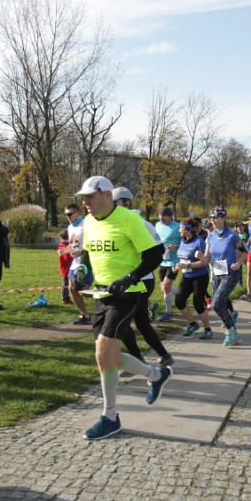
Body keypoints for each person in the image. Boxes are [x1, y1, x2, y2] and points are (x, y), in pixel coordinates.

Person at [76, 176, 172, 440]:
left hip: (129, 293)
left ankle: (110, 416)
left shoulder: (130, 220)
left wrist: (130, 277)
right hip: (101, 292)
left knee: (103, 354)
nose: (86, 202)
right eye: (83, 198)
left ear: (107, 196)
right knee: (111, 357)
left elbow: (155, 254)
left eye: (90, 197)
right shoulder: (88, 221)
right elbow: (87, 253)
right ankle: (156, 374)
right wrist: (83, 271)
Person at [112, 187, 174, 366]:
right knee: (141, 322)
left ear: (126, 203)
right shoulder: (118, 222)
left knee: (121, 321)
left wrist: (135, 272)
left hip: (141, 281)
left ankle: (137, 360)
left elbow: (158, 250)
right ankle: (164, 355)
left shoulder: (139, 223)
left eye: (114, 203)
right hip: (130, 281)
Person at [203, 205, 247, 346]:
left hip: (230, 272)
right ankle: (232, 330)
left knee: (216, 302)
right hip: (217, 271)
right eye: (211, 218)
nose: (212, 220)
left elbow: (245, 252)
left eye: (215, 217)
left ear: (223, 218)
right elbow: (206, 257)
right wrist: (196, 258)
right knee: (218, 305)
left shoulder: (232, 235)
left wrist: (238, 264)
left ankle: (232, 332)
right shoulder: (210, 236)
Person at [173, 217, 213, 340]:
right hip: (186, 276)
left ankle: (207, 329)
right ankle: (192, 324)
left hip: (200, 277)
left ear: (186, 229)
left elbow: (205, 262)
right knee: (179, 300)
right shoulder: (183, 240)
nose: (179, 229)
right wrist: (178, 266)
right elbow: (183, 257)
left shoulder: (199, 242)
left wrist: (187, 265)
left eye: (181, 227)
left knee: (197, 303)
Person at [64, 203, 92, 324]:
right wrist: (64, 251)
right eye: (66, 214)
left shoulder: (86, 225)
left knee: (83, 291)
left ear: (78, 212)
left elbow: (94, 244)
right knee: (72, 288)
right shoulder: (71, 227)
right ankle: (84, 315)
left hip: (86, 262)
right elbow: (73, 244)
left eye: (70, 214)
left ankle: (111, 295)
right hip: (75, 263)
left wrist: (82, 253)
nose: (68, 216)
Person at [155, 207, 181, 322]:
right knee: (164, 288)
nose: (161, 218)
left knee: (166, 286)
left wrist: (175, 247)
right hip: (162, 260)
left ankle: (168, 312)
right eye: (160, 216)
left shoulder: (177, 227)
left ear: (169, 216)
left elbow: (186, 241)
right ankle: (182, 293)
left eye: (163, 216)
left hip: (174, 261)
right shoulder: (157, 225)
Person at [57, 230, 73, 303]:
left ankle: (66, 298)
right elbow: (67, 257)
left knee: (65, 284)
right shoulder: (67, 247)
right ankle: (65, 299)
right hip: (68, 268)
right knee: (66, 284)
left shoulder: (60, 246)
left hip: (63, 268)